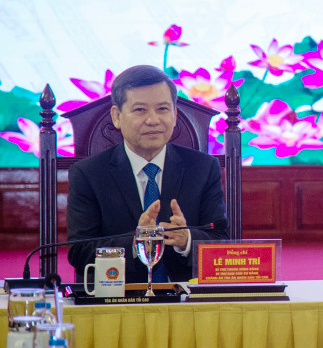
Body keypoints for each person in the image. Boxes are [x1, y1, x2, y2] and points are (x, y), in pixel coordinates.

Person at [67, 65, 229, 282]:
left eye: (162, 109)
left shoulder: (203, 168)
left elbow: (222, 241)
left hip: (186, 301)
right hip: (118, 299)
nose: (153, 120)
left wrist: (186, 239)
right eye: (140, 110)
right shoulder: (88, 174)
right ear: (117, 116)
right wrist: (136, 242)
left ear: (174, 115)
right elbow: (79, 252)